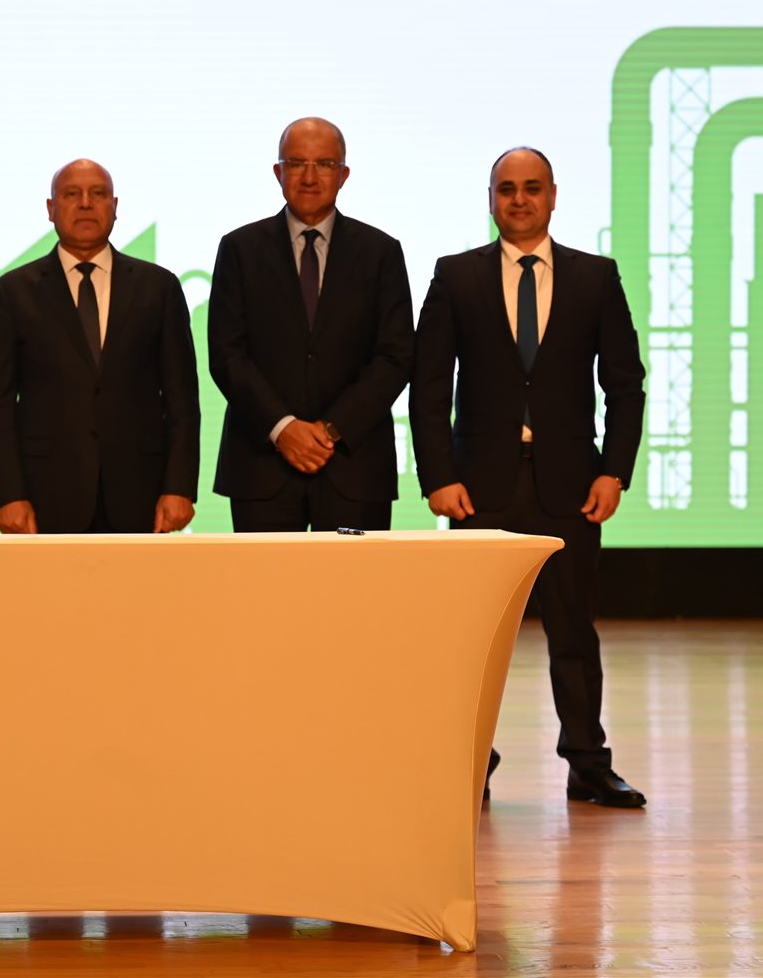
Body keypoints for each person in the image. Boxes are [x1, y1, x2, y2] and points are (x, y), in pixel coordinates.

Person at [410, 147, 648, 808]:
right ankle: (470, 763)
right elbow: (429, 386)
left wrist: (614, 472)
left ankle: (588, 763)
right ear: (491, 199)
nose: (519, 200)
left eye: (532, 188)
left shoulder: (595, 277)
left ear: (553, 196)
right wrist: (437, 476)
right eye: (507, 189)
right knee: (475, 641)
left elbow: (625, 385)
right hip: (477, 489)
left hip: (569, 485)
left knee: (573, 633)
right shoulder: (455, 275)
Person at [207, 117, 415, 531]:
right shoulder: (240, 249)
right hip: (261, 468)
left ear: (344, 175)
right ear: (277, 172)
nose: (309, 176)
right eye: (297, 163)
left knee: (353, 578)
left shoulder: (380, 252)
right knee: (265, 578)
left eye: (324, 164)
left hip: (354, 467)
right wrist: (283, 429)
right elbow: (227, 355)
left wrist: (331, 430)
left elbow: (395, 356)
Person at [0, 158, 198, 534]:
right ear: (51, 208)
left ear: (115, 206)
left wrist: (179, 487)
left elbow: (182, 399)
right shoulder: (12, 293)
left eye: (98, 194)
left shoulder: (159, 287)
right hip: (45, 494)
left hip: (141, 493)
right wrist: (9, 495)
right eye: (71, 194)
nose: (85, 203)